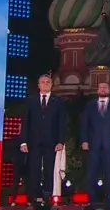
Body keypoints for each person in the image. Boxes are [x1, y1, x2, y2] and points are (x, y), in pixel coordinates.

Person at [19, 73, 67, 205]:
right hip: (34, 142)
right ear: (38, 85)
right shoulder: (31, 101)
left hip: (51, 142)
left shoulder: (59, 102)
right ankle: (33, 197)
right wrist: (24, 141)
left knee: (49, 169)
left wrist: (60, 141)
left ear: (51, 85)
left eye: (48, 82)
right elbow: (26, 122)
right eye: (43, 82)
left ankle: (47, 196)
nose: (45, 84)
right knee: (33, 169)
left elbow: (62, 123)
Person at [80, 82, 110, 209]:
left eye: (105, 87)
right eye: (100, 87)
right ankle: (92, 201)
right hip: (93, 146)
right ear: (97, 90)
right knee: (91, 174)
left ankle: (109, 202)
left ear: (109, 90)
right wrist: (84, 140)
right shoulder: (90, 106)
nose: (103, 89)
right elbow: (84, 125)